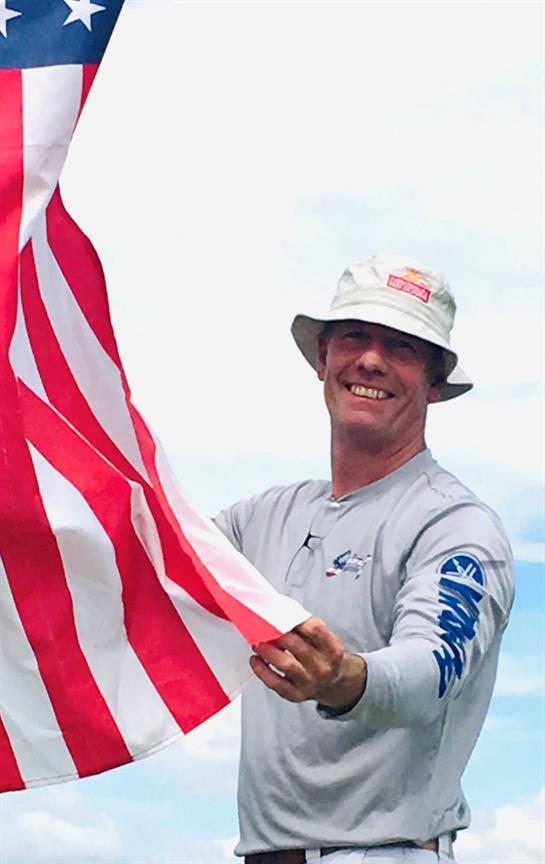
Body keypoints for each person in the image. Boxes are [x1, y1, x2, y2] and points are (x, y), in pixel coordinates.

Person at [214, 254, 514, 864]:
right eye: (355, 336)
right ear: (323, 357)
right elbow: (149, 563)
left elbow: (432, 667)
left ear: (434, 382)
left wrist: (345, 679)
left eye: (402, 346)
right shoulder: (261, 518)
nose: (372, 360)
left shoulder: (455, 525)